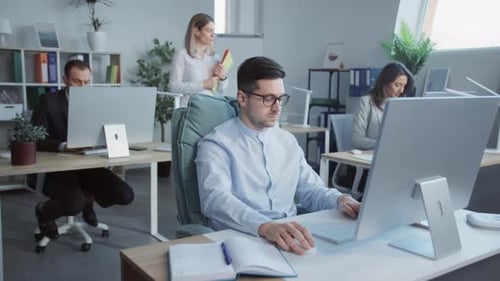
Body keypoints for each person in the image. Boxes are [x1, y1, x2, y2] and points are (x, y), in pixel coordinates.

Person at [195, 56, 360, 255]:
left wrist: (340, 199)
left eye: (280, 98)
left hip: (289, 237)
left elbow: (311, 190)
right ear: (242, 98)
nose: (277, 107)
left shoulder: (287, 141)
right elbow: (216, 200)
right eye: (268, 98)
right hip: (243, 239)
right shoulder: (217, 144)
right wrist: (266, 226)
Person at [30, 59, 134, 239]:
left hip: (88, 166)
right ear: (65, 79)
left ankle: (89, 201)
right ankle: (44, 211)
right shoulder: (48, 101)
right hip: (58, 169)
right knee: (72, 204)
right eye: (77, 81)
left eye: (86, 82)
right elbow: (35, 139)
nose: (82, 87)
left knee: (125, 195)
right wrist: (64, 146)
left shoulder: (97, 103)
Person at [169, 13, 228, 107]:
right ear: (196, 31)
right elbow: (174, 87)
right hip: (190, 109)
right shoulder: (182, 55)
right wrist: (203, 84)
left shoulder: (215, 57)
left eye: (213, 31)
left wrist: (223, 78)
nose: (213, 35)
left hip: (211, 107)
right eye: (208, 31)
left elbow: (220, 90)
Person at [352, 62, 415, 150]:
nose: (401, 90)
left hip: (395, 153)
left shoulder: (401, 104)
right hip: (371, 156)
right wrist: (382, 144)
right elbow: (356, 140)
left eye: (404, 86)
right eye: (397, 85)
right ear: (385, 82)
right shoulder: (365, 102)